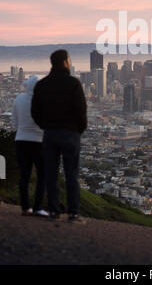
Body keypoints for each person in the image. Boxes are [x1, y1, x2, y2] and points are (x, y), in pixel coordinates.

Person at [31, 50, 87, 223]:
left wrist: (45, 126)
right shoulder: (73, 84)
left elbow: (35, 111)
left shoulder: (42, 85)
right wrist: (79, 129)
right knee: (72, 174)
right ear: (64, 62)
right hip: (70, 134)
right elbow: (81, 110)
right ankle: (73, 213)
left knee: (51, 173)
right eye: (69, 60)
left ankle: (54, 211)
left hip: (50, 133)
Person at [12, 76, 48, 217]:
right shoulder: (44, 100)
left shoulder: (18, 99)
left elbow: (13, 121)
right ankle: (38, 207)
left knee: (24, 175)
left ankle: (25, 207)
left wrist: (21, 130)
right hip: (39, 141)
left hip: (21, 140)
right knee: (42, 175)